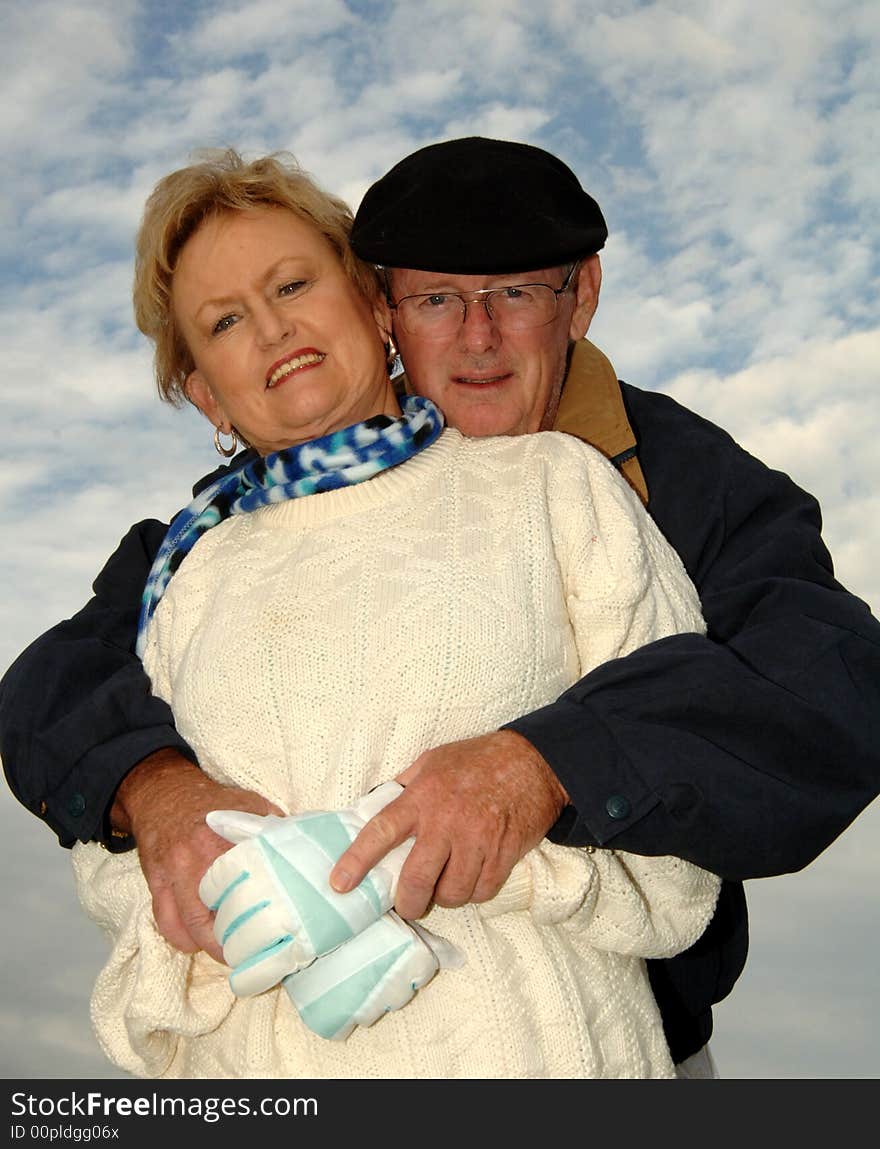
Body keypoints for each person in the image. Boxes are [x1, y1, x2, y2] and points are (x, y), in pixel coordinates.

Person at [2, 136, 879, 1073]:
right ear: (387, 309)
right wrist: (156, 787)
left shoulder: (644, 477)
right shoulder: (194, 557)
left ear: (579, 296)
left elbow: (828, 682)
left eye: (516, 293)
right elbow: (55, 688)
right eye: (436, 299)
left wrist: (543, 761)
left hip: (593, 1030)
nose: (478, 336)